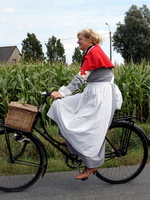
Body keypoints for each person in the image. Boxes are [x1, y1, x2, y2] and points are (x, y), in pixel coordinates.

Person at [47, 28, 122, 180]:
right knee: (61, 106)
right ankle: (72, 141)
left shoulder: (94, 53)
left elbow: (81, 77)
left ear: (89, 39)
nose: (77, 41)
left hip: (100, 95)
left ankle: (92, 164)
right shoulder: (92, 52)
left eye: (80, 38)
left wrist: (63, 92)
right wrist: (63, 94)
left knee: (89, 129)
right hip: (92, 92)